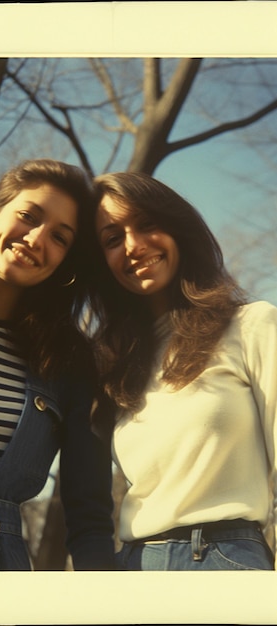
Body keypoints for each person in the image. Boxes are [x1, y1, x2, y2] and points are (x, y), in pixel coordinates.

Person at [87, 170, 277, 571]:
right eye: (113, 238)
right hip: (135, 569)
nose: (133, 246)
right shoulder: (113, 368)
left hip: (226, 561)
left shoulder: (252, 325)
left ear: (177, 228)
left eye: (146, 224)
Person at [0, 158, 115, 571]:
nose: (35, 238)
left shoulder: (68, 363)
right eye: (28, 216)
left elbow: (89, 516)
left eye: (60, 237)